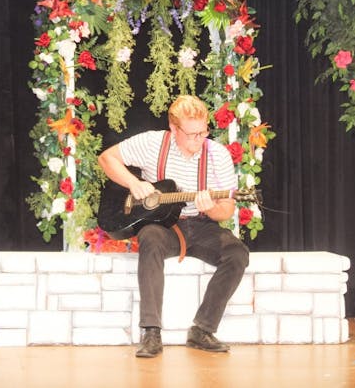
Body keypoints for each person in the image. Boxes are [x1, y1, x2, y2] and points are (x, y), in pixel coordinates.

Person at [97, 95, 249, 358]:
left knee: (237, 253)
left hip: (201, 225)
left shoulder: (218, 155)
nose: (198, 140)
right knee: (150, 238)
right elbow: (106, 158)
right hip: (162, 225)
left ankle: (202, 329)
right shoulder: (152, 143)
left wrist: (210, 207)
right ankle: (151, 332)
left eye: (203, 132)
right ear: (173, 128)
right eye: (191, 134)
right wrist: (134, 184)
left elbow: (226, 210)